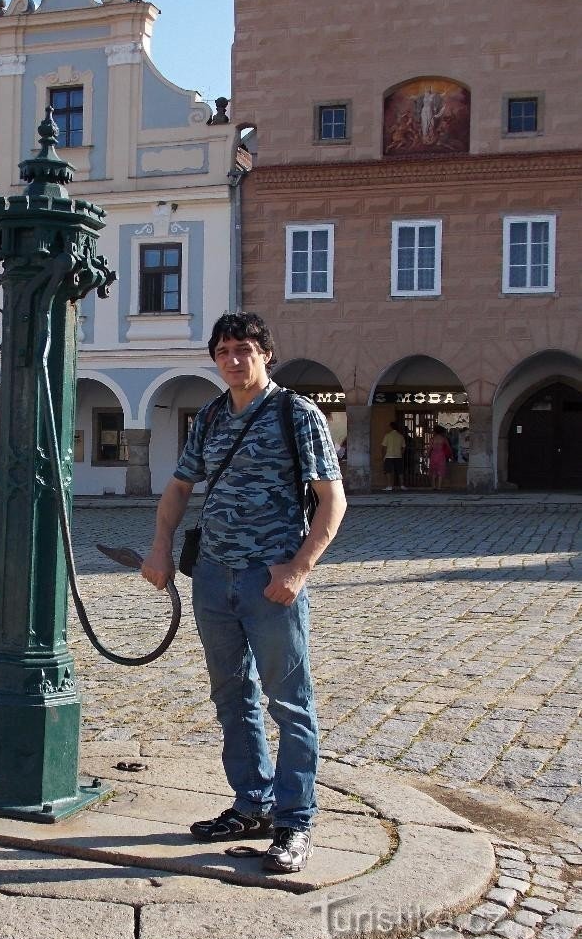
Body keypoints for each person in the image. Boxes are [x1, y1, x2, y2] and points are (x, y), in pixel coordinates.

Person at [141, 312, 346, 873]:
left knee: (290, 704)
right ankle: (250, 803)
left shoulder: (295, 414)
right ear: (215, 358)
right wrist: (160, 547)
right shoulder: (208, 417)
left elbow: (333, 501)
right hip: (213, 576)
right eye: (225, 350)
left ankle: (295, 822)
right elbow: (180, 487)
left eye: (245, 349)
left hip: (269, 580)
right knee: (232, 696)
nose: (234, 359)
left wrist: (298, 569)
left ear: (266, 355)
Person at [380, 421, 407, 491]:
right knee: (400, 471)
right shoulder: (400, 436)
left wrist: (383, 456)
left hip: (389, 456)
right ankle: (402, 485)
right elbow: (404, 447)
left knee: (388, 471)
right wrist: (401, 453)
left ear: (391, 427)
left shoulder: (387, 435)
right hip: (398, 456)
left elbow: (384, 447)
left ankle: (389, 486)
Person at [428, 424, 454, 490]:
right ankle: (439, 487)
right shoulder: (443, 439)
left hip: (433, 455)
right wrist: (451, 455)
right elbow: (449, 448)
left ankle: (433, 486)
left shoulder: (432, 439)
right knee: (440, 471)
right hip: (441, 455)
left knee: (433, 471)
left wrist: (427, 455)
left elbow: (430, 448)